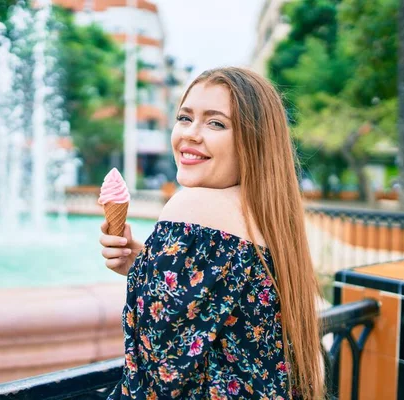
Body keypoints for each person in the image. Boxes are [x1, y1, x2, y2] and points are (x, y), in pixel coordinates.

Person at [100, 67, 323, 399]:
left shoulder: (192, 207)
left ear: (254, 141)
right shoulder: (272, 219)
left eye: (215, 123)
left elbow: (160, 374)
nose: (190, 134)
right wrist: (147, 268)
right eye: (184, 118)